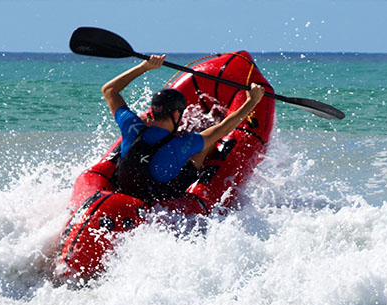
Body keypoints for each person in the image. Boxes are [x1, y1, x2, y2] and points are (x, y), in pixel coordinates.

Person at [101, 54, 265, 203]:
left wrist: (144, 67)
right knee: (203, 149)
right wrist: (252, 101)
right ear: (175, 113)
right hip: (159, 202)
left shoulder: (132, 126)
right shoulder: (183, 144)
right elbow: (223, 128)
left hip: (125, 193)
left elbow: (109, 90)